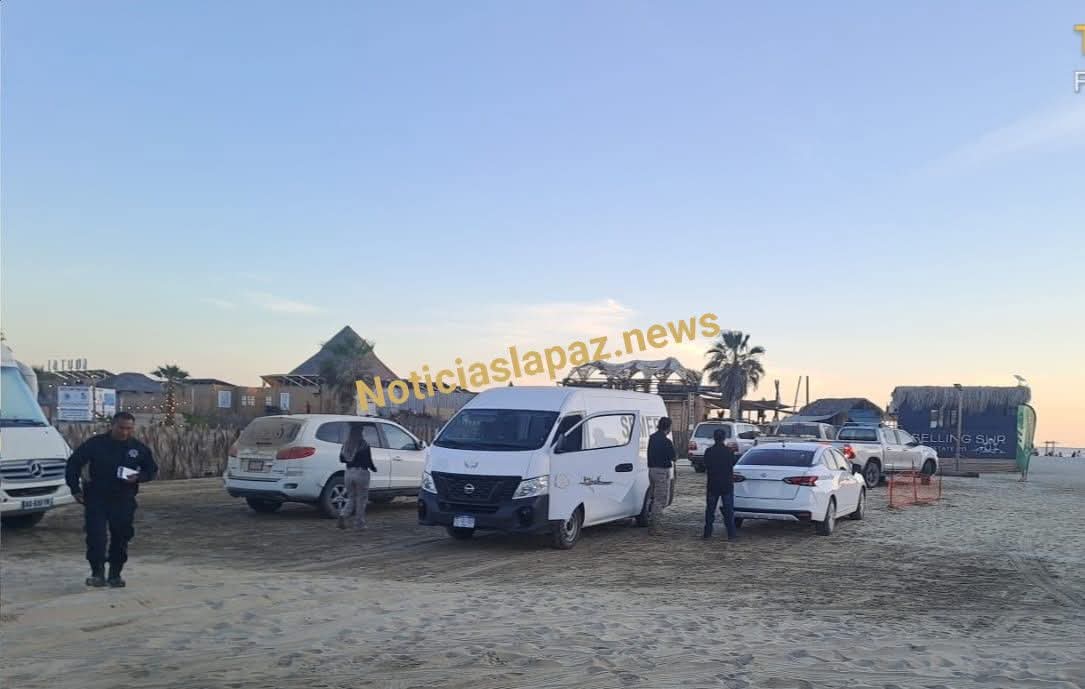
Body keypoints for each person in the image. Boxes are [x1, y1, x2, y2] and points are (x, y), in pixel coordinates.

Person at [65, 411, 158, 588]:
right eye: (121, 428)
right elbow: (73, 463)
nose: (125, 432)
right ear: (112, 426)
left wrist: (139, 477)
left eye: (129, 429)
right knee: (96, 537)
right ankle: (97, 574)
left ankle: (115, 574)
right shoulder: (96, 444)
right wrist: (75, 489)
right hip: (96, 498)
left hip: (124, 499)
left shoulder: (138, 448)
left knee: (121, 537)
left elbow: (151, 470)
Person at [338, 424, 377, 530]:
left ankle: (343, 514)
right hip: (361, 473)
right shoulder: (364, 444)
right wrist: (374, 468)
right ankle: (359, 523)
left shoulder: (346, 445)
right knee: (361, 499)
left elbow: (341, 459)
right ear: (360, 432)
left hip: (348, 473)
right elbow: (368, 461)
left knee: (351, 497)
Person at [702, 429, 739, 540]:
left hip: (713, 484)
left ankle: (707, 533)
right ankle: (731, 534)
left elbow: (705, 465)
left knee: (710, 511)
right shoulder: (729, 451)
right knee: (728, 511)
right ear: (724, 438)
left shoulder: (709, 451)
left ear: (714, 438)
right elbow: (733, 463)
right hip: (726, 484)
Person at [646, 417, 676, 519]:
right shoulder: (666, 441)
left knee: (652, 495)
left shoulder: (652, 438)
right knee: (660, 498)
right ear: (668, 428)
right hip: (661, 471)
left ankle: (648, 515)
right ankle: (655, 521)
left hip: (652, 470)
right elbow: (673, 457)